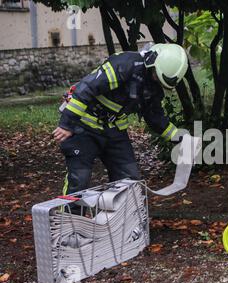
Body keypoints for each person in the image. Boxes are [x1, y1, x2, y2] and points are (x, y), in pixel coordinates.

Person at [53, 43, 188, 195]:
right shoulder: (124, 65)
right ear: (152, 62)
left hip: (113, 130)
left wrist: (179, 137)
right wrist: (67, 124)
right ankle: (70, 218)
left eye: (160, 81)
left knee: (128, 180)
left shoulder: (154, 84)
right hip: (83, 127)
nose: (156, 80)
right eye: (156, 75)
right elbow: (86, 89)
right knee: (79, 180)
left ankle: (121, 217)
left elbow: (154, 116)